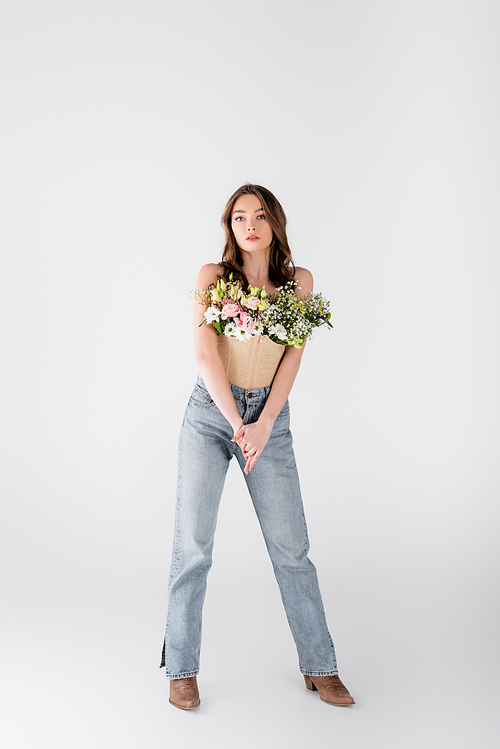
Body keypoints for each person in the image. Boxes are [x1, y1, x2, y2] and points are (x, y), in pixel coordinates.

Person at [160, 183, 354, 709]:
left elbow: (293, 358)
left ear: (274, 224)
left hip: (270, 418)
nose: (250, 224)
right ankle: (181, 668)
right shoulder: (212, 279)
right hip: (209, 414)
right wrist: (236, 423)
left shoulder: (299, 284)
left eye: (260, 215)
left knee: (293, 551)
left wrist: (263, 422)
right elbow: (204, 354)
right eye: (240, 216)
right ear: (230, 227)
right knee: (193, 548)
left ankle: (321, 665)